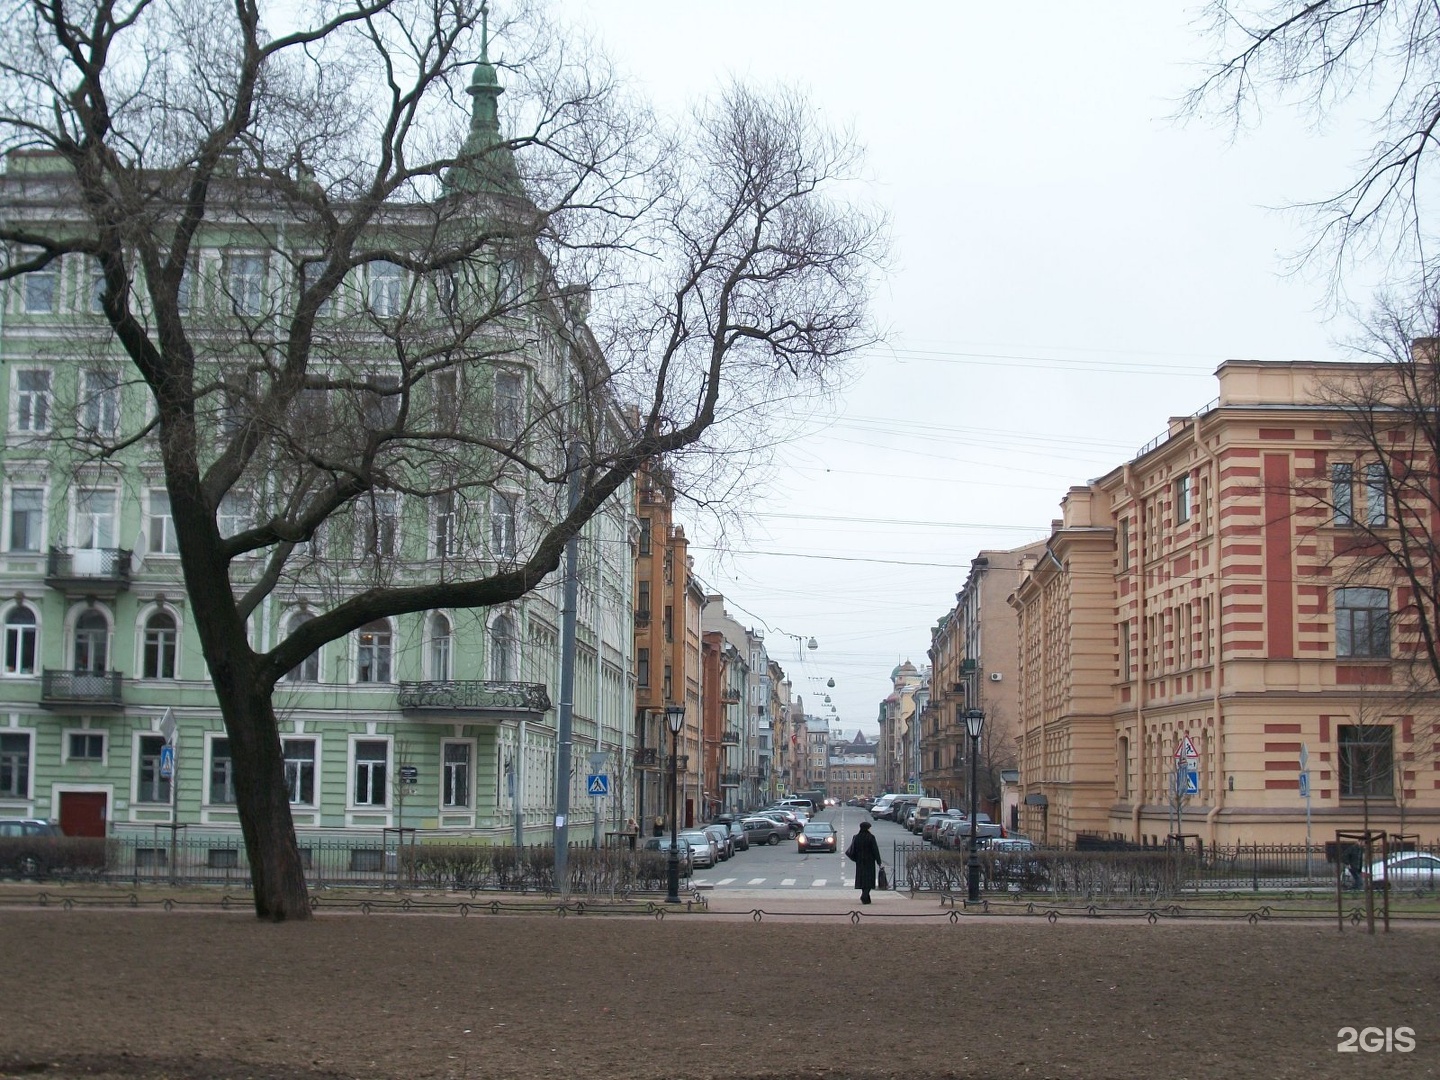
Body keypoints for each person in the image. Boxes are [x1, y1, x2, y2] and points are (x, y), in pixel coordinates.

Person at [845, 819, 884, 904]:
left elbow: (853, 849)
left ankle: (866, 897)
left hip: (859, 862)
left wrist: (856, 859)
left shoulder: (856, 837)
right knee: (869, 880)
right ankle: (864, 896)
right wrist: (879, 862)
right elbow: (875, 850)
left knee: (862, 879)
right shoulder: (871, 837)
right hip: (869, 861)